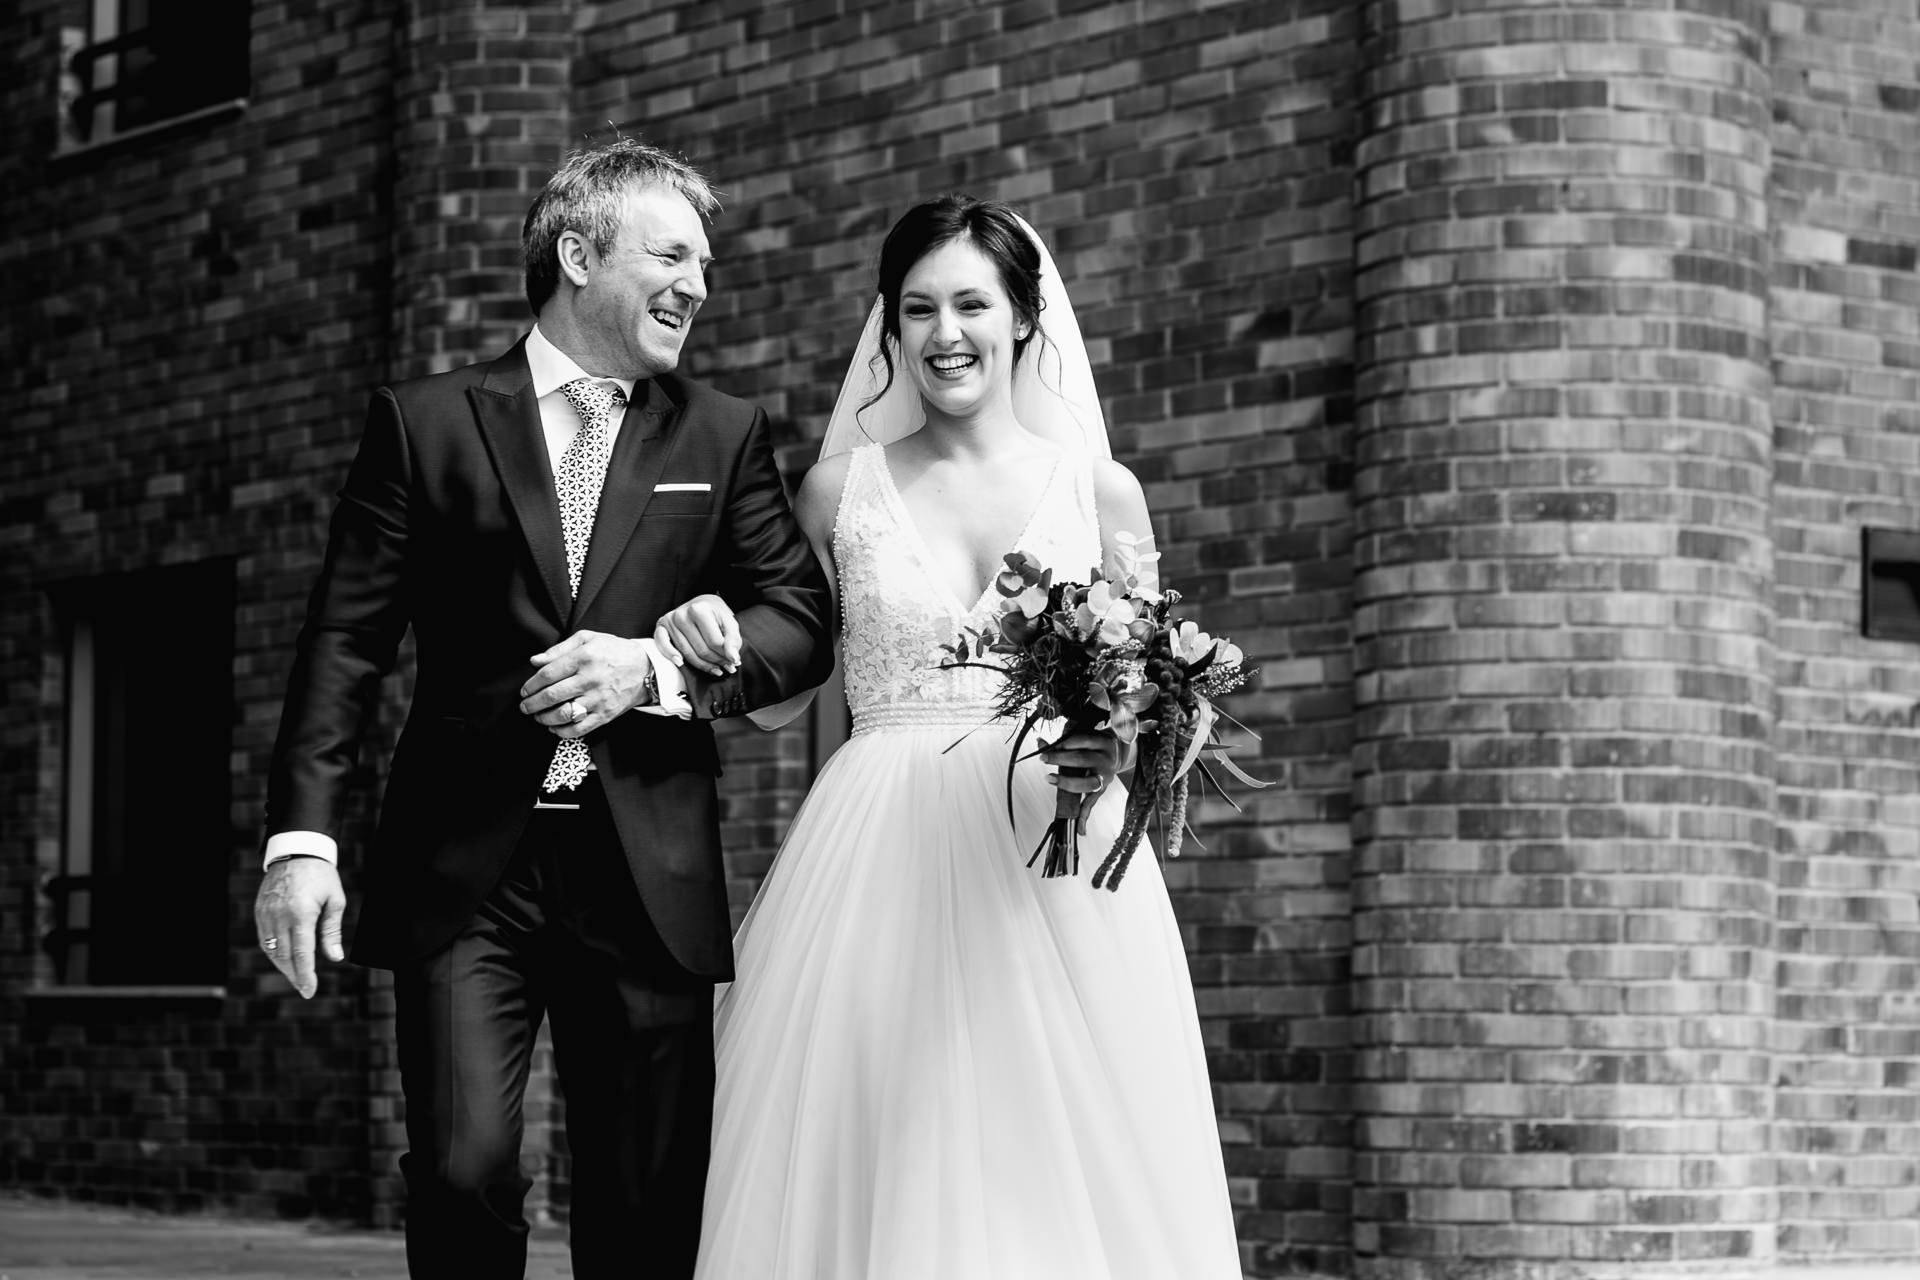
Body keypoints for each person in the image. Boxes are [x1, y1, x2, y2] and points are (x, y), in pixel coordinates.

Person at [250, 139, 835, 1280]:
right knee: (462, 1168)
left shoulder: (723, 434)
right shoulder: (425, 425)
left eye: (706, 265)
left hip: (647, 865)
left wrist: (661, 672)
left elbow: (801, 620)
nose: (700, 286)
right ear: (579, 253)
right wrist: (300, 840)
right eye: (673, 254)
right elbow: (345, 641)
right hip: (468, 867)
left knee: (646, 1201)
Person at [678, 196, 1241, 1279]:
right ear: (887, 328)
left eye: (972, 304)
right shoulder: (839, 489)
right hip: (877, 852)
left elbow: (1169, 705)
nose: (946, 332)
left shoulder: (1101, 490)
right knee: (888, 1137)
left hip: (1056, 861)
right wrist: (710, 646)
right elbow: (787, 694)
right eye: (918, 307)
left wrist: (1122, 750)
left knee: (1054, 1155)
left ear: (1024, 318)